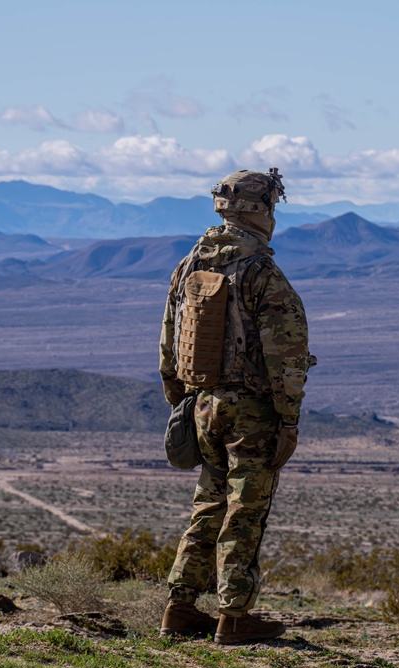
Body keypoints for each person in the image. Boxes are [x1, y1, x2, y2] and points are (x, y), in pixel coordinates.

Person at [158, 168, 311, 644]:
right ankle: (234, 616)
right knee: (243, 512)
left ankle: (180, 607)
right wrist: (288, 420)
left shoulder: (188, 265)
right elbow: (286, 356)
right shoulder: (261, 272)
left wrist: (181, 402)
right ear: (262, 210)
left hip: (203, 404)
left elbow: (168, 342)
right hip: (252, 413)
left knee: (208, 504)